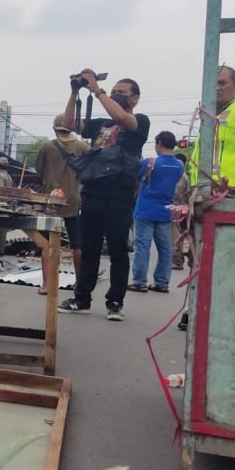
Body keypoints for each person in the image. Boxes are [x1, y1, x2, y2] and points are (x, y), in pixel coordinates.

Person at [57, 71, 151, 322]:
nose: (116, 96)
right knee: (90, 249)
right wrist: (75, 92)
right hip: (93, 191)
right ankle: (82, 298)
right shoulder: (101, 124)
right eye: (114, 92)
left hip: (120, 194)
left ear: (135, 99)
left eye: (122, 93)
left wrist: (96, 89)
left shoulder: (140, 121)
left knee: (118, 250)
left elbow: (121, 116)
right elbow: (69, 124)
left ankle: (115, 302)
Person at [36, 114, 89, 294]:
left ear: (54, 129)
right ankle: (80, 285)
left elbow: (40, 172)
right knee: (77, 243)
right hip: (76, 200)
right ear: (71, 128)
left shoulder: (47, 147)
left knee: (48, 243)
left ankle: (47, 285)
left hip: (51, 201)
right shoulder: (83, 147)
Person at [129, 131, 186, 293]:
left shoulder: (150, 162)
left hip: (145, 210)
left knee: (142, 246)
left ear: (159, 143)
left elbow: (136, 178)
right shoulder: (179, 166)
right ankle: (162, 282)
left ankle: (139, 282)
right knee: (165, 248)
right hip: (166, 211)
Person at [172, 152, 192, 271]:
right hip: (181, 209)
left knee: (175, 236)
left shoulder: (180, 177)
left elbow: (177, 195)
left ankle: (177, 260)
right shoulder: (183, 176)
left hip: (177, 210)